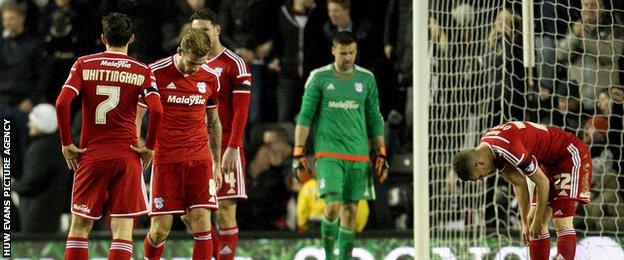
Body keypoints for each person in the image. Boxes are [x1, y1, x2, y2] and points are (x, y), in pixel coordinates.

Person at [55, 12, 163, 260]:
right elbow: (156, 109)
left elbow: (62, 103)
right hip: (127, 155)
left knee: (80, 227)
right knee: (123, 229)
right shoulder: (142, 70)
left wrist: (66, 143)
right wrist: (150, 146)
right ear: (132, 39)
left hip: (91, 154)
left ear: (103, 38)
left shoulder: (84, 64)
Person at [292, 31, 388, 260]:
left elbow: (375, 118)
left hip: (358, 154)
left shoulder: (366, 79)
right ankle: (328, 256)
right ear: (333, 50)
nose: (347, 57)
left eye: (352, 53)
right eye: (343, 53)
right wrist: (298, 151)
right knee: (333, 205)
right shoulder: (319, 78)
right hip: (329, 153)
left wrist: (381, 152)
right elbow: (305, 117)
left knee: (351, 211)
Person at [452, 121, 592, 260]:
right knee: (531, 221)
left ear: (480, 163)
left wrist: (538, 220)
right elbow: (519, 183)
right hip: (549, 163)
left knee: (561, 221)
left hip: (569, 155)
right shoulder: (490, 150)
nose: (482, 179)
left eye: (480, 176)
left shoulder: (508, 148)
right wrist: (525, 223)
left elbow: (542, 182)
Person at [139, 28, 223, 260]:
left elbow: (213, 122)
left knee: (202, 225)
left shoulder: (210, 77)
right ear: (180, 51)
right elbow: (137, 114)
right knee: (160, 230)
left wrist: (216, 162)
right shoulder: (155, 73)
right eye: (191, 62)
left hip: (199, 159)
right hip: (166, 160)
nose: (195, 69)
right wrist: (140, 147)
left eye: (201, 63)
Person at [189, 9, 251, 259]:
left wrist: (233, 147)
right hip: (192, 148)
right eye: (195, 30)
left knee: (225, 210)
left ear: (217, 30)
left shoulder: (233, 64)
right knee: (190, 214)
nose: (200, 34)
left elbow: (241, 111)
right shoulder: (188, 62)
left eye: (205, 29)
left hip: (224, 147)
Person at [14, 104, 70, 233]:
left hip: (37, 217)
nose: (29, 124)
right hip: (50, 215)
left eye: (32, 121)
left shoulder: (41, 148)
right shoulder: (56, 146)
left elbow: (31, 182)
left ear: (42, 123)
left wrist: (13, 185)